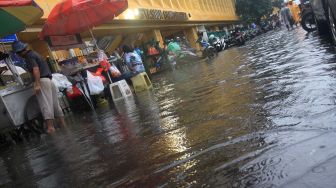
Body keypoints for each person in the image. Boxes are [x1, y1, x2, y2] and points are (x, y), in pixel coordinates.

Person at [12, 41, 66, 134]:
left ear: (20, 52)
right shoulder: (35, 53)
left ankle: (50, 128)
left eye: (18, 53)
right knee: (55, 104)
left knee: (45, 104)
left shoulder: (29, 56)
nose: (19, 55)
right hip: (49, 80)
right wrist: (31, 81)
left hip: (42, 81)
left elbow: (36, 70)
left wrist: (37, 84)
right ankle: (63, 125)